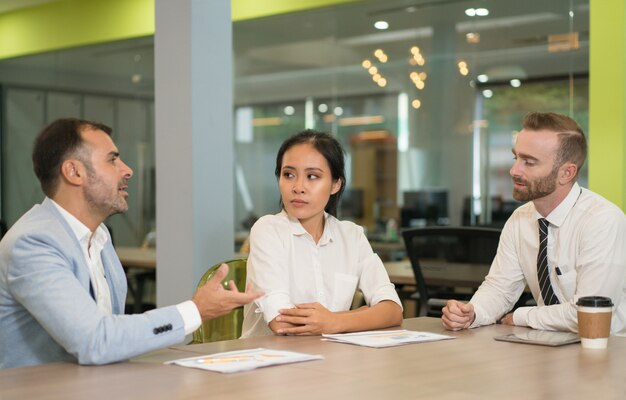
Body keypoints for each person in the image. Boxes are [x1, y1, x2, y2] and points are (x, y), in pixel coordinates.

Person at [0, 118, 263, 368]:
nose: (128, 170)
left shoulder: (98, 236)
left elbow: (111, 338)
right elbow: (95, 341)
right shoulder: (34, 243)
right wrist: (195, 311)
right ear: (74, 172)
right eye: (112, 160)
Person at [442, 112, 626, 333]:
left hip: (609, 351)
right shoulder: (520, 220)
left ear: (566, 173)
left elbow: (588, 313)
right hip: (548, 347)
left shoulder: (602, 221)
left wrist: (522, 315)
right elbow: (500, 289)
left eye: (529, 162)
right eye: (516, 158)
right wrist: (472, 312)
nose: (514, 170)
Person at [241, 129, 403, 337]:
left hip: (331, 359)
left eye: (312, 176)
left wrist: (335, 320)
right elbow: (283, 324)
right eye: (288, 174)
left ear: (336, 184)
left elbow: (392, 311)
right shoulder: (267, 230)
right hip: (270, 362)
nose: (298, 187)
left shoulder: (351, 235)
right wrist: (360, 315)